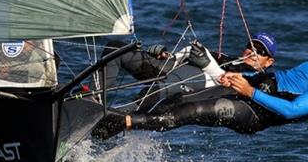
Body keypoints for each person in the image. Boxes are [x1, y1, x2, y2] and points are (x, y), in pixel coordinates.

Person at [94, 29, 308, 137]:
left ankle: (122, 123)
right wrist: (236, 78)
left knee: (193, 111)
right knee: (178, 102)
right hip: (249, 90)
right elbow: (274, 79)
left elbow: (292, 110)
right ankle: (108, 123)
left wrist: (249, 91)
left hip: (255, 114)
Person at [97, 32, 278, 113]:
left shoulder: (258, 79)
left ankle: (110, 117)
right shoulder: (227, 57)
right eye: (251, 46)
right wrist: (165, 55)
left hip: (188, 88)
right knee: (115, 49)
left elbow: (227, 83)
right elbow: (192, 54)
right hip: (169, 69)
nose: (252, 52)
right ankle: (93, 99)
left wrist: (207, 65)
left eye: (260, 52)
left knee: (159, 89)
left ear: (269, 62)